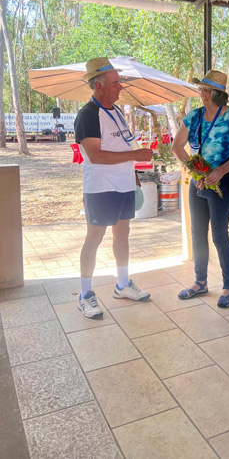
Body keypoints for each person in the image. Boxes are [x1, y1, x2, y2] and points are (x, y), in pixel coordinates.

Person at [74, 57, 154, 319]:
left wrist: (134, 173)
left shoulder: (116, 111)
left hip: (124, 184)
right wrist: (135, 157)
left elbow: (123, 145)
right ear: (98, 85)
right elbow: (95, 156)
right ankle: (85, 294)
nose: (121, 87)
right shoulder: (88, 114)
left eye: (119, 82)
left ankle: (122, 284)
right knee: (94, 238)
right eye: (115, 83)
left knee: (123, 235)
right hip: (101, 187)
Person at [172, 70, 229, 308]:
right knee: (197, 232)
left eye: (205, 90)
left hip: (224, 180)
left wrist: (221, 171)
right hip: (199, 180)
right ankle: (200, 281)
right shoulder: (194, 116)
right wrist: (197, 171)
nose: (201, 93)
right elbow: (177, 147)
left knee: (218, 233)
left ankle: (228, 286)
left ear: (217, 94)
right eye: (201, 89)